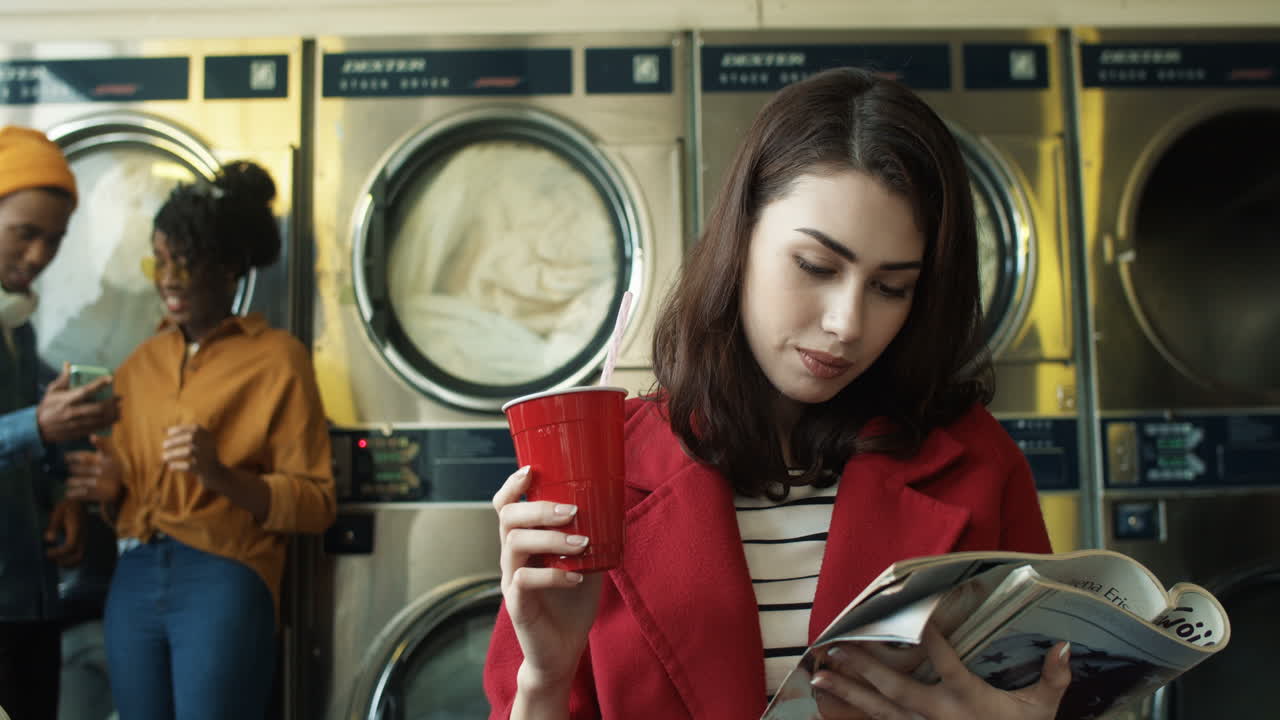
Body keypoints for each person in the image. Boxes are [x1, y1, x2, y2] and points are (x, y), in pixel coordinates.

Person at [484, 67, 1074, 720]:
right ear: (739, 240)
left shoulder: (976, 464)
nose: (847, 323)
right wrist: (544, 675)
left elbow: (1040, 690)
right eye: (816, 267)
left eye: (891, 287)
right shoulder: (605, 468)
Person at [64, 160, 337, 720]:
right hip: (133, 575)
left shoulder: (277, 360)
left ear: (232, 267)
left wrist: (221, 477)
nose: (167, 278)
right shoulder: (140, 365)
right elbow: (126, 491)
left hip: (225, 572)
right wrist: (110, 489)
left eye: (185, 264)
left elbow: (316, 504)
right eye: (159, 261)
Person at [0, 125, 120, 720]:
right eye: (25, 234)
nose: (40, 256)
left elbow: (24, 448)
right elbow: (23, 429)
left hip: (29, 598)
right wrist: (38, 428)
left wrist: (59, 498)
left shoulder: (17, 326)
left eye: (55, 239)